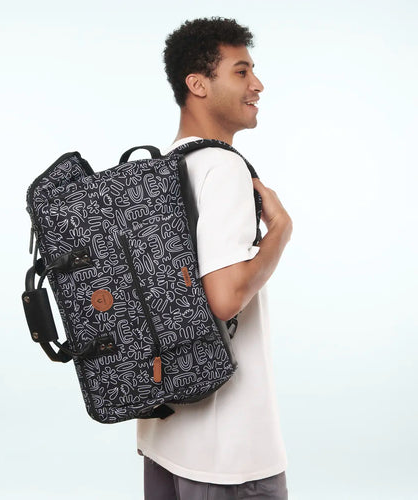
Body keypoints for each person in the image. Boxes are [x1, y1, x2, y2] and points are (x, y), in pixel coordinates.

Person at [136, 17, 293, 500]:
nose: (257, 85)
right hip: (229, 455)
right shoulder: (223, 168)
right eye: (241, 72)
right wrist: (280, 233)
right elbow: (224, 298)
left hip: (166, 436)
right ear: (198, 85)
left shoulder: (161, 170)